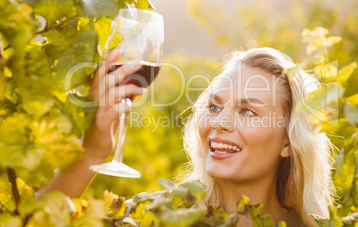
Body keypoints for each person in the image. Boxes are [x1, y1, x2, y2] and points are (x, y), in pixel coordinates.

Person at [38, 47, 335, 227]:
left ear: (288, 142)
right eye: (214, 106)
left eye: (247, 112)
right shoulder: (156, 215)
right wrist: (90, 154)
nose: (219, 122)